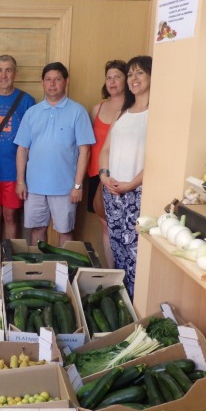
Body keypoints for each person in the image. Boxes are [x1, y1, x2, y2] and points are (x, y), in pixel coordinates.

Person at [15, 62, 95, 246]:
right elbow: (22, 149)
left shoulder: (78, 112)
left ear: (66, 82)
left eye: (57, 79)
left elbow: (85, 151)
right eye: (48, 80)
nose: (52, 84)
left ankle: (63, 274)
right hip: (34, 186)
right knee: (37, 230)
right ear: (42, 82)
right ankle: (39, 272)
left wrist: (77, 185)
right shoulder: (31, 113)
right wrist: (21, 181)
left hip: (65, 188)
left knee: (65, 232)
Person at [99, 55, 152, 300]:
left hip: (136, 193)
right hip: (112, 192)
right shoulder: (124, 112)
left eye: (139, 73)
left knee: (136, 254)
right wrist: (104, 176)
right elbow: (106, 149)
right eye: (130, 74)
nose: (133, 78)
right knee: (118, 248)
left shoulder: (156, 114)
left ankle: (136, 304)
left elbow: (157, 159)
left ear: (152, 77)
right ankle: (122, 302)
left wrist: (131, 184)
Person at [0, 55, 35, 240]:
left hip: (15, 173)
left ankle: (10, 263)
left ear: (16, 73)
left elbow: (32, 141)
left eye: (8, 70)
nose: (3, 75)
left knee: (11, 216)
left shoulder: (27, 101)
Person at [88, 60, 127, 269]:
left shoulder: (132, 109)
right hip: (96, 174)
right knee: (104, 224)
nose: (112, 81)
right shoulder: (97, 109)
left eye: (117, 77)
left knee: (118, 226)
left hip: (121, 176)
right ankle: (110, 270)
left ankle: (121, 271)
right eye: (109, 77)